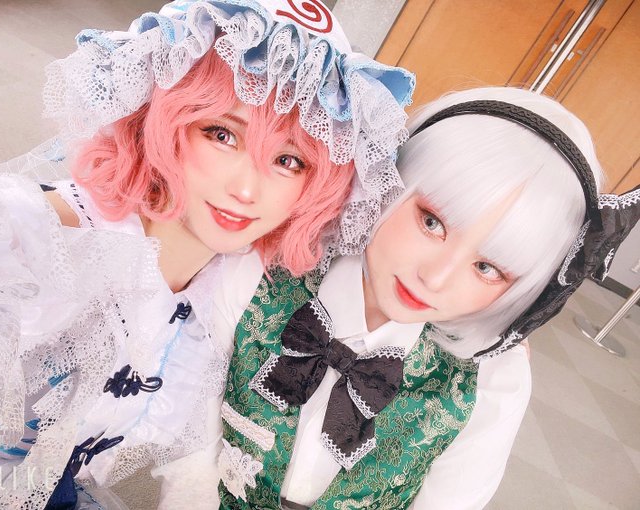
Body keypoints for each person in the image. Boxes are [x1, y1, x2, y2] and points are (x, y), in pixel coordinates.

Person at [0, 1, 415, 509]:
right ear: (165, 119)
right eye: (222, 135)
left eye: (289, 161)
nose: (247, 189)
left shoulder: (233, 294)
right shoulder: (13, 238)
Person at [205, 86, 640, 509]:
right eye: (432, 222)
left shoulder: (491, 383)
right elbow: (189, 443)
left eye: (487, 268)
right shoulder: (264, 270)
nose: (435, 278)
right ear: (394, 182)